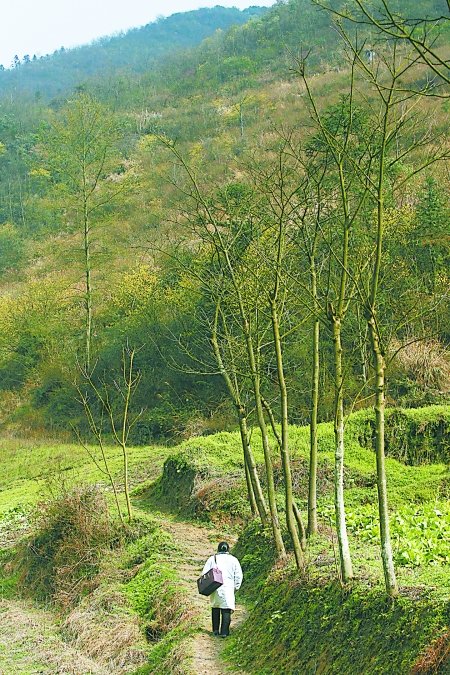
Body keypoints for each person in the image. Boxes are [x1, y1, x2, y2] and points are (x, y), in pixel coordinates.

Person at [201, 541, 243, 638]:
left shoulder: (212, 559)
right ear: (228, 549)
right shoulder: (234, 560)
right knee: (226, 609)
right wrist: (236, 587)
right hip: (228, 587)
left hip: (215, 586)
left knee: (215, 607)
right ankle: (224, 632)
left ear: (218, 549)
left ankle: (215, 630)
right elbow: (238, 575)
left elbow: (204, 574)